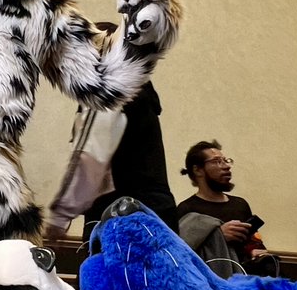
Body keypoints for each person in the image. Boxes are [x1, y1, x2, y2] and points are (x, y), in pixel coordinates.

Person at [45, 81, 177, 243]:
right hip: (157, 212)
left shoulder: (108, 89)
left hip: (120, 216)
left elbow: (90, 158)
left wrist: (60, 216)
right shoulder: (138, 87)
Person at [176, 141, 273, 276]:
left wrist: (254, 251)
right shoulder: (187, 209)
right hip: (209, 281)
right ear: (198, 170)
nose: (226, 166)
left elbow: (252, 242)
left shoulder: (240, 204)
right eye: (217, 161)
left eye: (226, 161)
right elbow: (182, 253)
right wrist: (218, 236)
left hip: (244, 278)